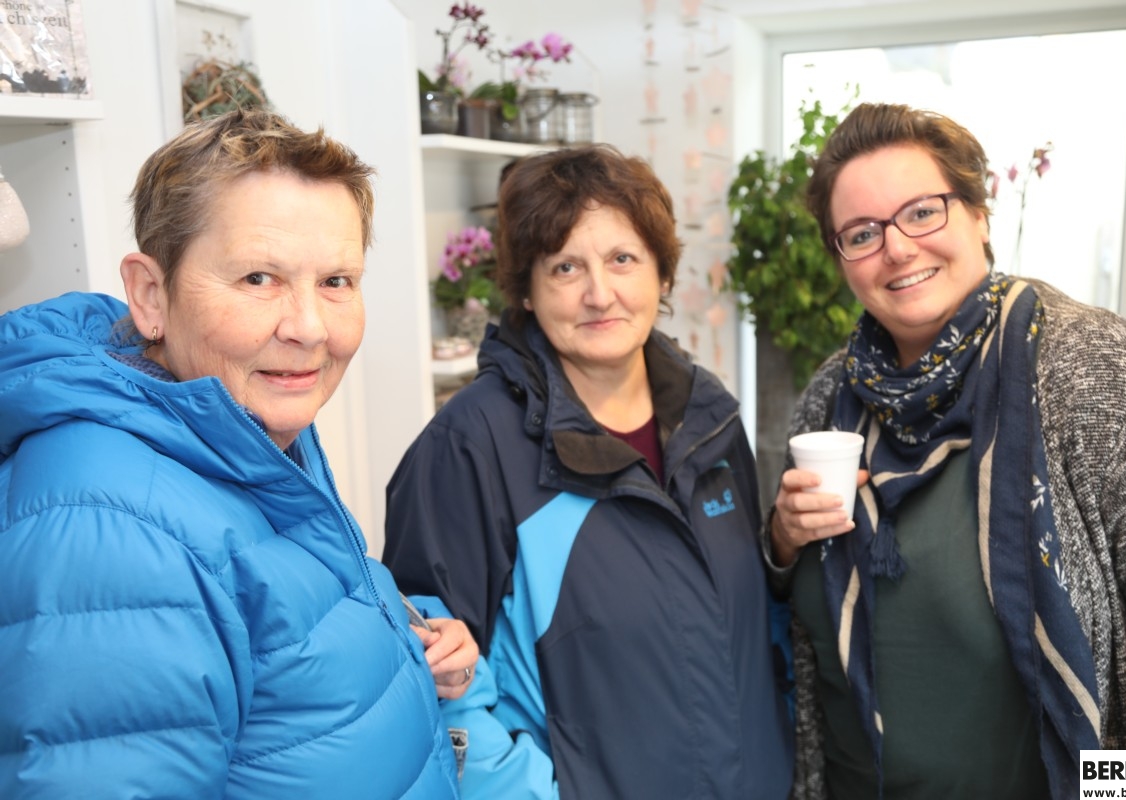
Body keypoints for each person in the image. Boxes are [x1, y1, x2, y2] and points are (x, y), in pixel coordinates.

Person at [0, 109, 477, 798]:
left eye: (336, 281)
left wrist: (410, 636)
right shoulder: (110, 535)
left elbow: (277, 626)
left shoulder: (238, 424)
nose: (309, 328)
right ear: (151, 295)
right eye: (259, 278)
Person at [765, 102, 1126, 800]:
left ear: (978, 216)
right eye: (862, 233)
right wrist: (782, 544)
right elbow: (797, 626)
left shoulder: (1101, 374)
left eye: (922, 212)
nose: (897, 248)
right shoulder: (831, 398)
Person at [383, 143, 795, 799]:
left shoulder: (709, 418)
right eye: (565, 267)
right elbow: (429, 674)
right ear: (526, 290)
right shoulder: (469, 446)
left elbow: (759, 627)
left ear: (662, 275)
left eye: (622, 259)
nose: (599, 294)